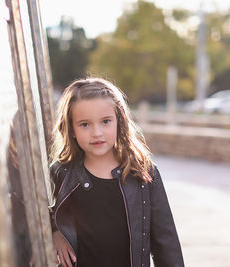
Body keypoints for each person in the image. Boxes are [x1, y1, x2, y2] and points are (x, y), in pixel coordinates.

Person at [49, 77, 184, 267]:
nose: (97, 132)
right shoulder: (61, 173)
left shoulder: (143, 174)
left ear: (119, 122)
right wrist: (55, 232)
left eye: (105, 121)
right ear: (71, 129)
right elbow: (41, 212)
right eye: (85, 124)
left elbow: (165, 240)